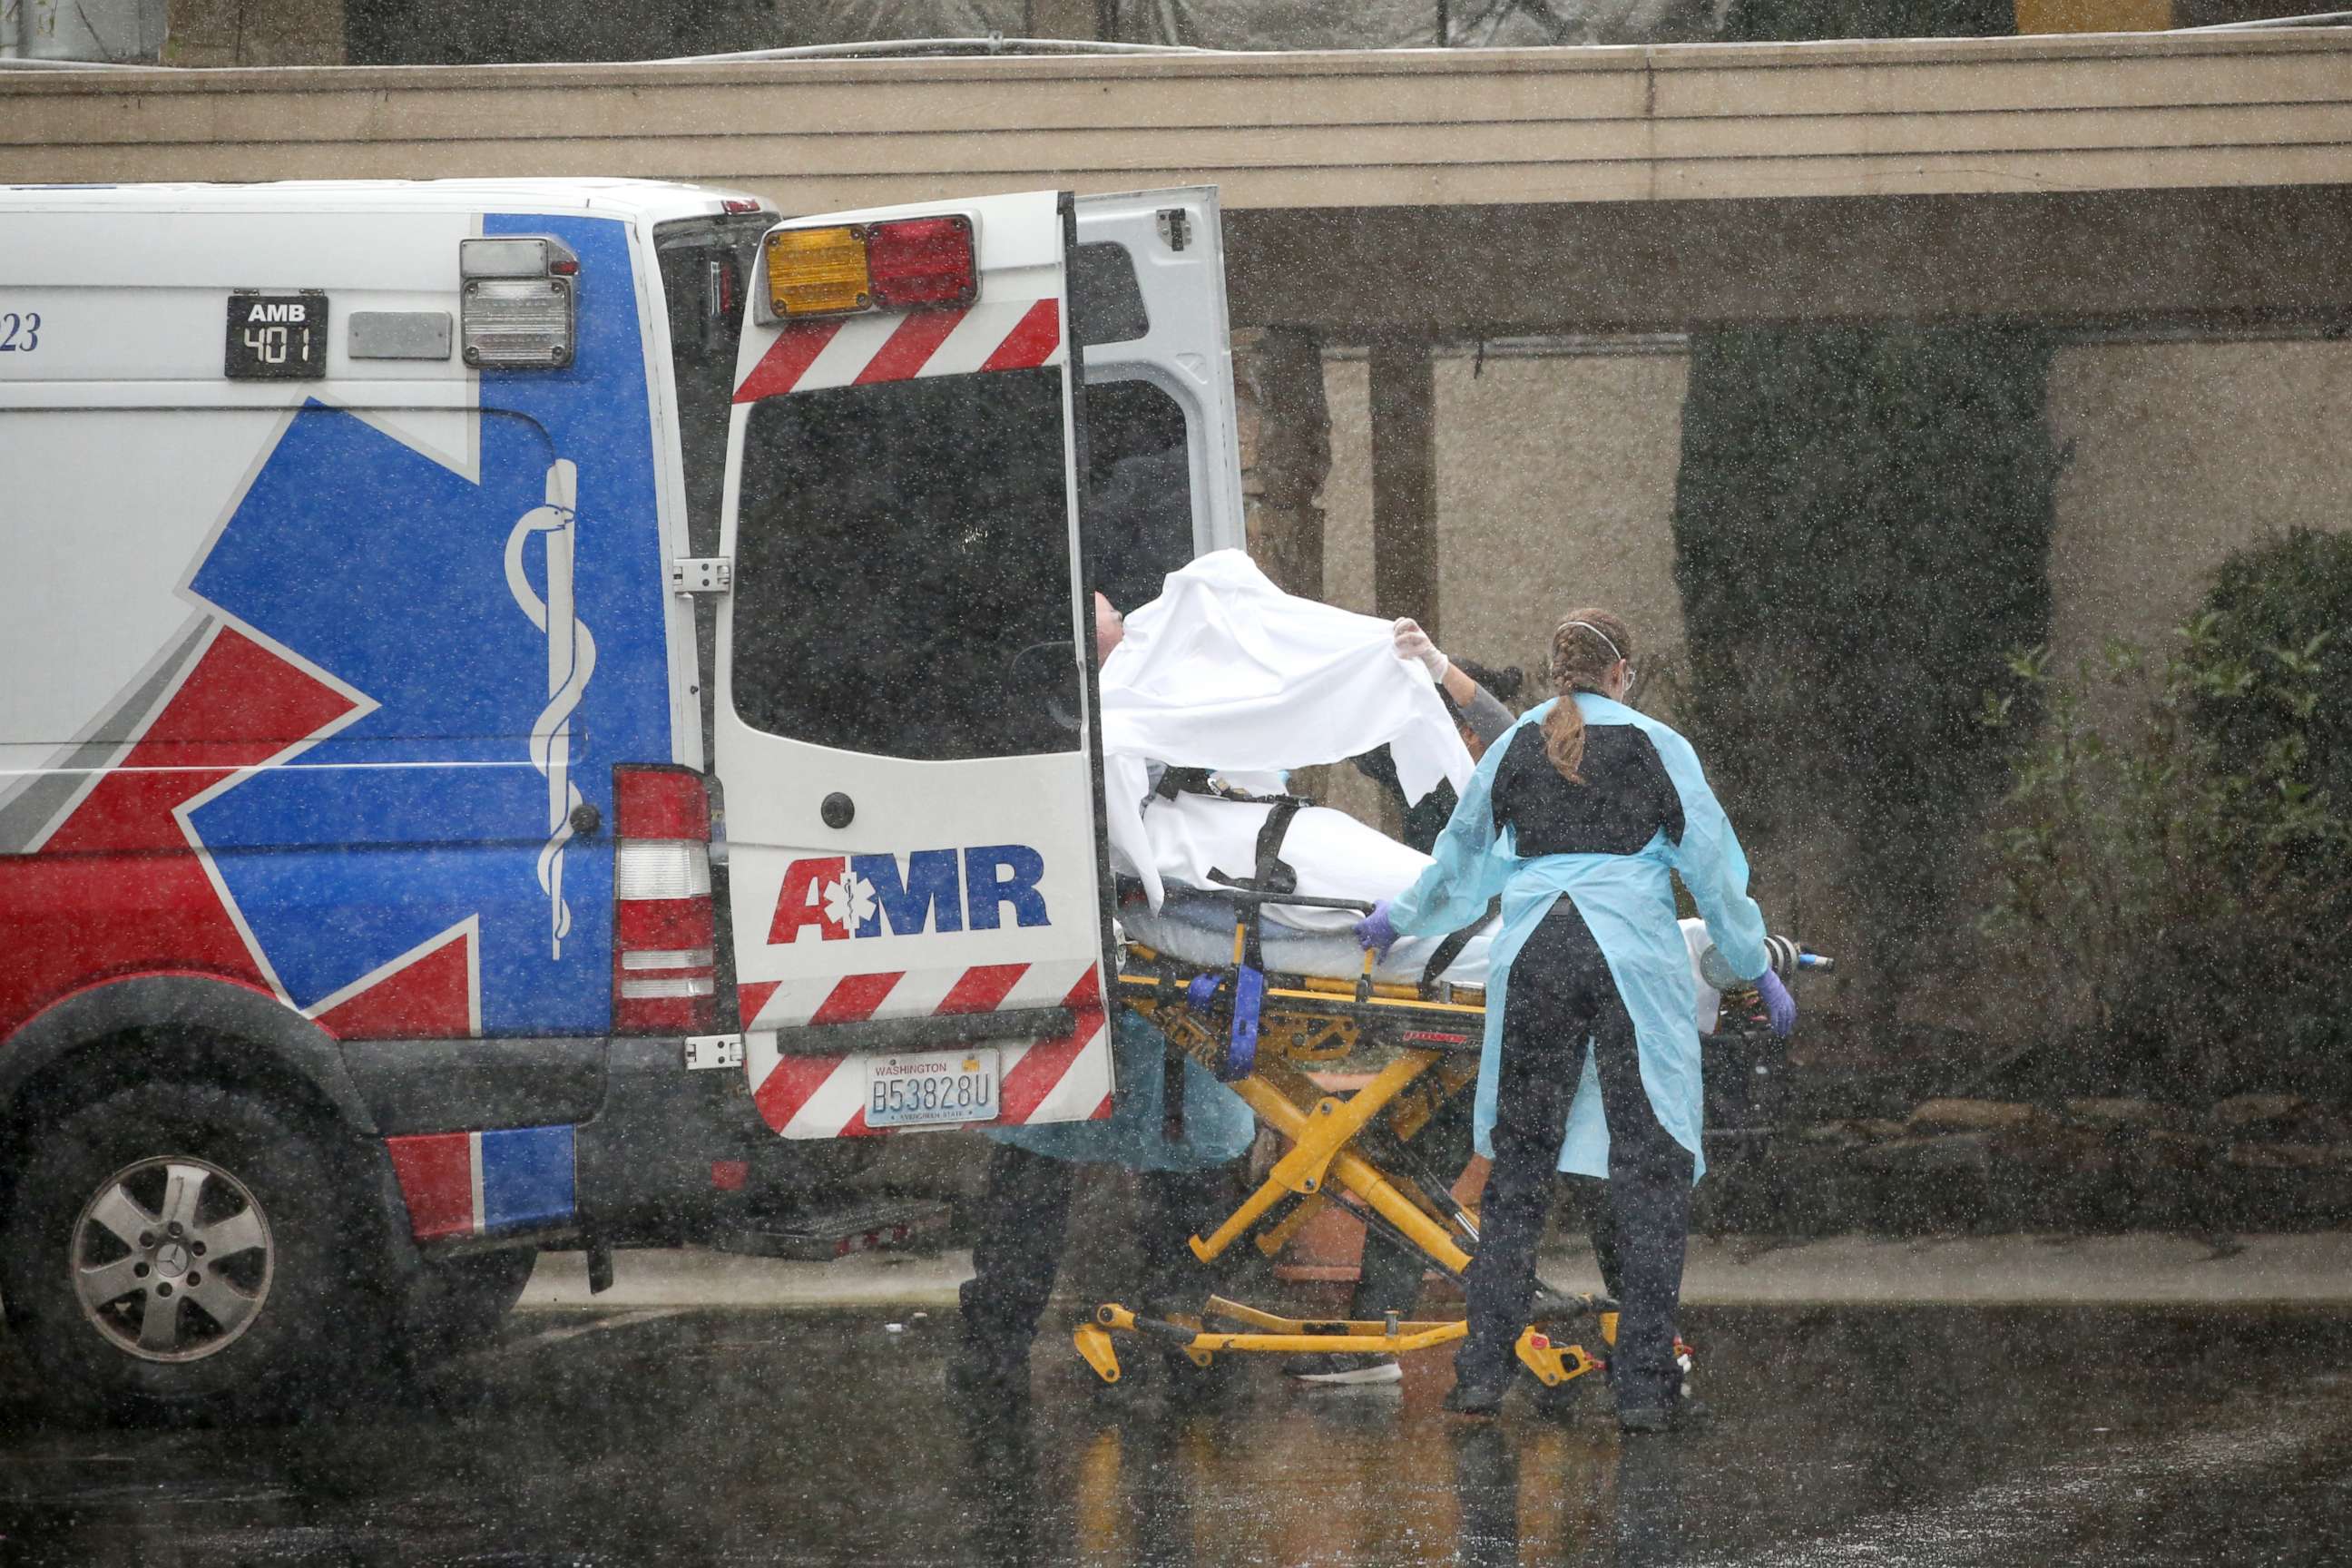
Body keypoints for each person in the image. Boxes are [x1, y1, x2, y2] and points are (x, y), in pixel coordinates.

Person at [1355, 610, 1794, 1432]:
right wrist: (1752, 963)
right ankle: (1644, 1386)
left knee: (1520, 1173)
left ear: (1559, 671)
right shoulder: (1659, 745)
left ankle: (1481, 1375)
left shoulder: (1519, 741)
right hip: (1628, 958)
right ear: (1622, 672)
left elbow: (1461, 859)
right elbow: (1712, 866)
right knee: (1650, 1169)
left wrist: (1401, 917)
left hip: (1535, 958)